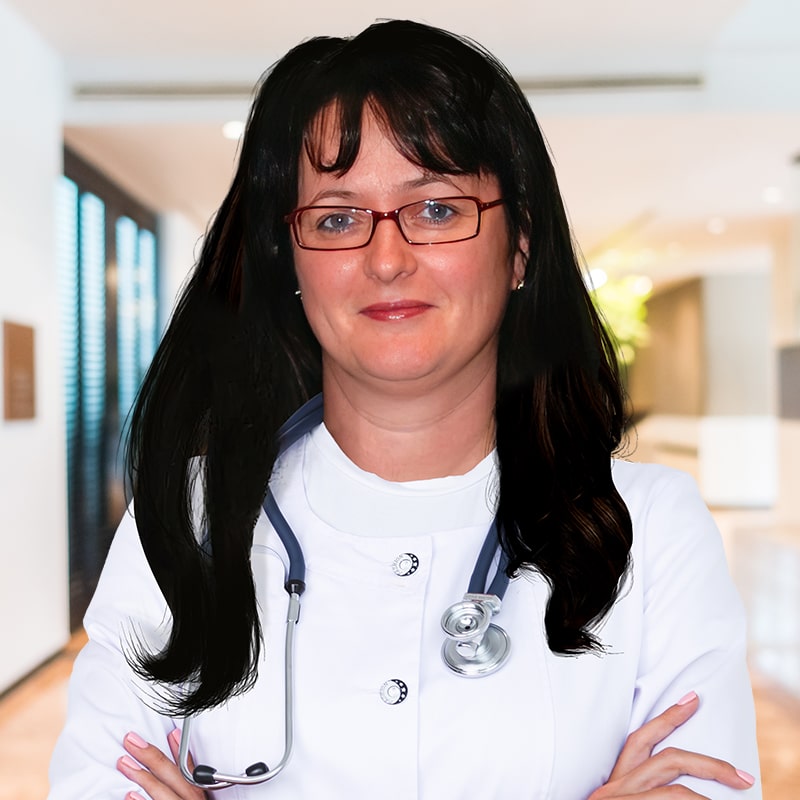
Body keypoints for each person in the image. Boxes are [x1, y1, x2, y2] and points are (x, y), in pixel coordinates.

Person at [48, 19, 761, 800]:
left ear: (520, 245)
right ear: (292, 262)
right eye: (336, 218)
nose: (385, 259)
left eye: (437, 209)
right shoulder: (188, 517)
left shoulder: (652, 531)